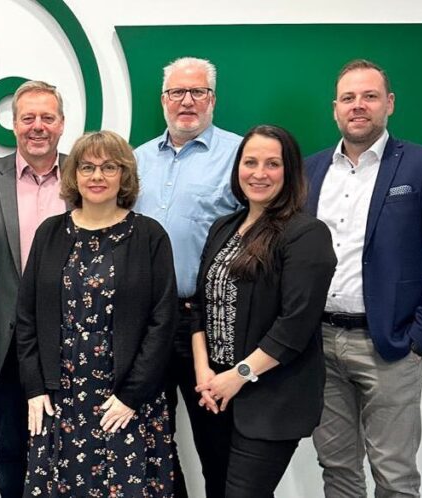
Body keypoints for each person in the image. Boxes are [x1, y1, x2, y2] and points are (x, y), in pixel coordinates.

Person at [306, 60, 422, 497]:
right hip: (320, 345)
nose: (358, 106)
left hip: (391, 347)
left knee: (394, 475)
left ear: (390, 103)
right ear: (335, 109)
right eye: (348, 98)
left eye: (370, 96)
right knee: (337, 468)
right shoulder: (311, 170)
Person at [15, 130, 179, 497]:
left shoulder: (149, 235)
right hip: (61, 396)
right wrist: (35, 387)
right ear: (74, 175)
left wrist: (132, 395)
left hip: (125, 397)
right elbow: (27, 316)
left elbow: (162, 321)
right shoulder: (50, 233)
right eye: (87, 167)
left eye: (109, 167)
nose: (97, 176)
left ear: (125, 175)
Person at [190, 125, 336, 497]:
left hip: (270, 399)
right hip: (215, 393)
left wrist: (239, 375)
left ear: (290, 171)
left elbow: (295, 325)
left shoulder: (306, 233)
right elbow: (199, 306)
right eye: (250, 162)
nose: (259, 173)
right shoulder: (224, 227)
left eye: (272, 164)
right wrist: (205, 372)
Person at [133, 56, 242, 497]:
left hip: (209, 323)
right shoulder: (137, 159)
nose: (187, 101)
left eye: (198, 91)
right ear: (163, 100)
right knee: (152, 441)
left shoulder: (239, 156)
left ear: (213, 99)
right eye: (177, 92)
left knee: (218, 442)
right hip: (146, 322)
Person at [0, 80, 67, 498]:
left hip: (74, 343)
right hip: (4, 346)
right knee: (11, 450)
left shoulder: (87, 175)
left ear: (62, 124)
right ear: (14, 124)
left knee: (72, 449)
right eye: (28, 118)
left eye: (47, 117)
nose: (37, 126)